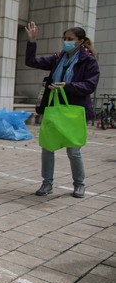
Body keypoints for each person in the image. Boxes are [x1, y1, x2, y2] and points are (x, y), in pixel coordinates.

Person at [25, 21, 100, 198]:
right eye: (64, 38)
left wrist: (67, 86)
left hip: (73, 110)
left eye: (70, 39)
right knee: (48, 146)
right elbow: (31, 61)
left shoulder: (88, 61)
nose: (66, 41)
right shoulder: (58, 58)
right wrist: (32, 41)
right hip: (53, 108)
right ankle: (47, 183)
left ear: (81, 41)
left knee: (73, 150)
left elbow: (90, 85)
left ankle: (79, 184)